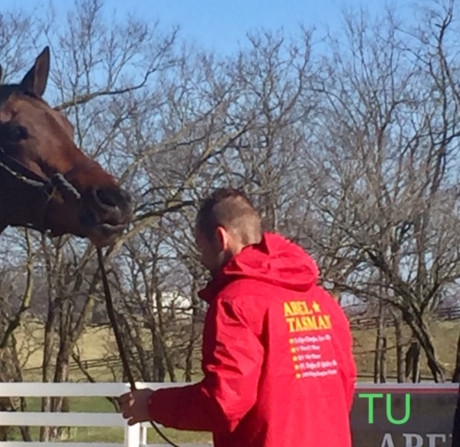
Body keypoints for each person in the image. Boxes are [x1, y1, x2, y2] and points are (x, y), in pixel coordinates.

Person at [118, 187, 357, 447]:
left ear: (221, 238)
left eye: (201, 246)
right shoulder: (322, 301)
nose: (201, 258)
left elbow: (224, 400)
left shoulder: (235, 301)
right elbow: (344, 386)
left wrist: (152, 404)